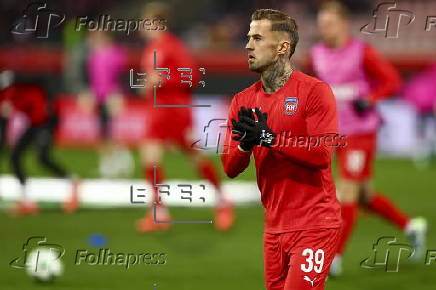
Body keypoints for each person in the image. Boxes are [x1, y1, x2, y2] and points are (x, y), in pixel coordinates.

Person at [222, 9, 342, 290]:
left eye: (257, 38)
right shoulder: (242, 101)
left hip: (315, 224)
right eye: (248, 37)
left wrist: (269, 138)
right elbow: (230, 168)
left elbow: (322, 155)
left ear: (282, 47)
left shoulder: (315, 91)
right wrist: (245, 142)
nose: (247, 45)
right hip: (274, 229)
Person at [308, 1, 427, 276]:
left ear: (343, 24)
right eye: (322, 24)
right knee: (364, 197)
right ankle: (411, 226)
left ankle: (333, 258)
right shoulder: (316, 55)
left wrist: (370, 98)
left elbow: (393, 81)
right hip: (336, 132)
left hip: (361, 133)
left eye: (329, 23)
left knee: (345, 192)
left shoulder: (362, 52)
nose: (324, 29)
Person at [136, 2, 234, 232]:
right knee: (149, 158)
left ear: (157, 23)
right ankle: (159, 211)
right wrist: (148, 85)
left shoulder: (173, 47)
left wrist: (164, 80)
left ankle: (222, 202)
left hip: (176, 111)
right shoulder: (151, 49)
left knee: (195, 158)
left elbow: (191, 76)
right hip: (157, 111)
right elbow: (153, 78)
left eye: (146, 20)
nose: (142, 26)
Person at [0, 78, 79, 215]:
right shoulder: (12, 93)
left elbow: (42, 106)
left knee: (42, 158)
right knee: (15, 157)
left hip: (45, 123)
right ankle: (27, 200)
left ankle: (72, 182)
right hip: (34, 124)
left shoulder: (22, 90)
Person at [82, 30, 132, 178]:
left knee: (109, 131)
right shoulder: (93, 56)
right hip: (98, 97)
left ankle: (115, 161)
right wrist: (90, 94)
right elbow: (93, 78)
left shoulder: (116, 54)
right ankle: (110, 162)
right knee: (102, 132)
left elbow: (119, 75)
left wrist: (117, 95)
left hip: (112, 96)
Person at [403, 62, 436, 169]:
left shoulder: (420, 80)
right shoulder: (430, 80)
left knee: (421, 135)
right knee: (426, 134)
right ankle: (423, 155)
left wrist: (416, 104)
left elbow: (409, 93)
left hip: (421, 110)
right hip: (429, 110)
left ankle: (420, 156)